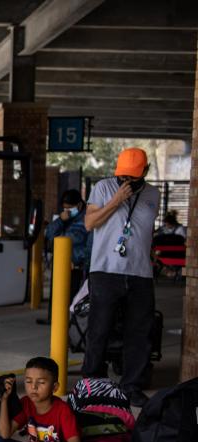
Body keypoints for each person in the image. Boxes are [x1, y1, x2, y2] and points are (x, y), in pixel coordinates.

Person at [80, 148, 159, 407]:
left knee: (139, 332)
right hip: (105, 270)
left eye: (133, 177)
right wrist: (115, 201)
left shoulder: (152, 194)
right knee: (99, 329)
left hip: (140, 273)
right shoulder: (103, 188)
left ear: (145, 172)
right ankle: (92, 383)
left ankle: (132, 385)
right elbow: (90, 223)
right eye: (123, 176)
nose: (127, 181)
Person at [45, 189, 91, 273]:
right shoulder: (65, 219)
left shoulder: (88, 219)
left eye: (69, 208)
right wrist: (60, 220)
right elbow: (49, 234)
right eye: (65, 208)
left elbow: (89, 247)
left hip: (77, 268)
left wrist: (75, 259)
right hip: (61, 264)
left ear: (79, 205)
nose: (67, 211)